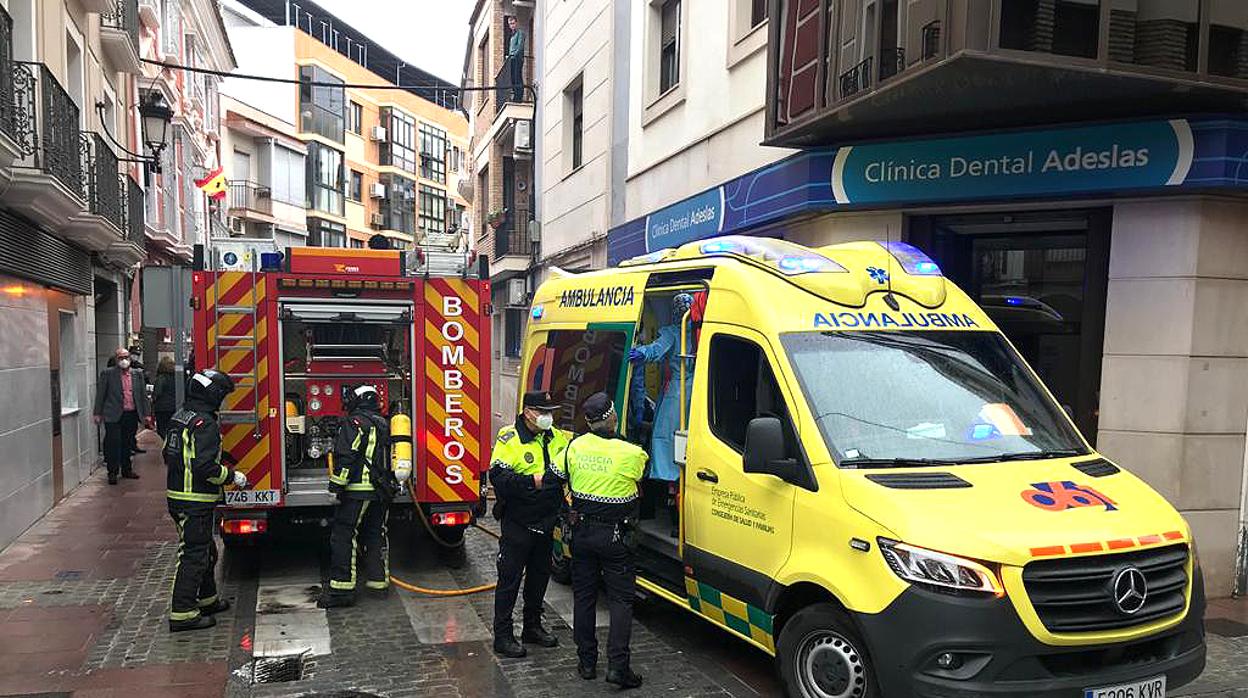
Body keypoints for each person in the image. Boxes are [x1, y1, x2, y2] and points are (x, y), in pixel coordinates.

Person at [552, 392, 647, 689]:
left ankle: (587, 662)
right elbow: (641, 479)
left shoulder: (574, 447)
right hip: (617, 537)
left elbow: (556, 473)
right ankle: (618, 667)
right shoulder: (632, 452)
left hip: (581, 535)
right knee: (621, 601)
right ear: (612, 417)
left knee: (584, 598)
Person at [163, 368, 248, 632]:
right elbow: (204, 468)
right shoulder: (205, 423)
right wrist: (232, 476)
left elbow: (169, 454)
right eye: (221, 396)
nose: (222, 402)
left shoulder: (181, 416)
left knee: (206, 551)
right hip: (195, 500)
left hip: (179, 497)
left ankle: (207, 599)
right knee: (194, 555)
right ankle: (183, 612)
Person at [488, 390, 570, 658]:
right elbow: (499, 478)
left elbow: (565, 470)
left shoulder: (556, 437)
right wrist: (533, 482)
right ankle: (502, 635)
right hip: (519, 522)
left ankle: (532, 627)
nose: (548, 417)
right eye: (542, 412)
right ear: (528, 412)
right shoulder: (510, 438)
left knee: (539, 577)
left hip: (547, 521)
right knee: (509, 579)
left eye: (550, 412)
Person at [321, 385, 403, 609]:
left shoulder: (354, 423)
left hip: (357, 491)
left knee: (343, 537)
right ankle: (378, 585)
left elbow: (347, 456)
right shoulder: (383, 423)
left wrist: (336, 487)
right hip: (380, 492)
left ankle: (341, 591)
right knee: (375, 535)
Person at [628, 293, 695, 531]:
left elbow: (657, 349)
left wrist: (639, 353)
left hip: (678, 394)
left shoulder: (673, 332)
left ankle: (671, 493)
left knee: (665, 440)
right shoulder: (701, 331)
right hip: (698, 390)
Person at [94, 347, 153, 485]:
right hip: (113, 414)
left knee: (127, 442)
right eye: (121, 357)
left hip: (131, 413)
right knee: (113, 443)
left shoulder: (137, 374)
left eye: (126, 357)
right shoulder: (107, 374)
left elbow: (142, 396)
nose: (124, 360)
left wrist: (146, 414)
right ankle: (112, 472)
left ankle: (127, 469)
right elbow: (101, 394)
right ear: (116, 359)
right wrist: (97, 412)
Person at [152, 357, 178, 439]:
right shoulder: (177, 377)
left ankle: (165, 444)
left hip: (162, 408)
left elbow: (157, 393)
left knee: (162, 429)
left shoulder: (161, 378)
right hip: (174, 406)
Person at [506, 15, 526, 102]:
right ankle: (515, 95)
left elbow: (520, 46)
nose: (512, 25)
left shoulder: (520, 33)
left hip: (517, 58)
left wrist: (514, 55)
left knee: (517, 76)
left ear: (516, 23)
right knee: (513, 78)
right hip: (512, 58)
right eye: (510, 24)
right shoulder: (512, 36)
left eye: (513, 23)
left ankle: (519, 96)